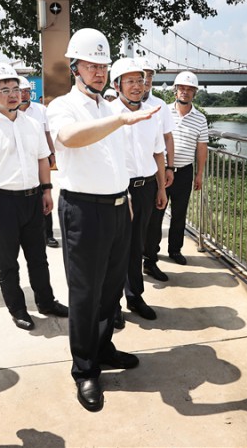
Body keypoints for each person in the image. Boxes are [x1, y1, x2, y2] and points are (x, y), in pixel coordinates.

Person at [47, 28, 158, 412]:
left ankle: (103, 348)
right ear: (74, 67)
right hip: (83, 210)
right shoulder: (63, 106)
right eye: (91, 65)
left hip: (116, 207)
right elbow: (70, 138)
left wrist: (125, 196)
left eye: (103, 65)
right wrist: (120, 122)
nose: (98, 72)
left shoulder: (109, 109)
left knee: (110, 292)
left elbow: (117, 162)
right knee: (85, 294)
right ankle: (84, 369)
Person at [0, 63, 67, 331]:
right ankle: (18, 309)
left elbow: (42, 159)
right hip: (2, 203)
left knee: (38, 257)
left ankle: (46, 302)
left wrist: (46, 190)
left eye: (16, 89)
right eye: (4, 90)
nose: (13, 95)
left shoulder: (33, 124)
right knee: (7, 261)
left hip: (32, 199)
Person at [107, 58, 167, 330]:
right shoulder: (106, 114)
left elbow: (158, 152)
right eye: (129, 81)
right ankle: (112, 304)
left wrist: (162, 187)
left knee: (136, 246)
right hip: (119, 189)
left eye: (140, 81)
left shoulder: (152, 113)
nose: (136, 86)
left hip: (146, 188)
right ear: (117, 85)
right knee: (115, 250)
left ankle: (135, 297)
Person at [144, 71, 208, 267]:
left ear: (195, 93)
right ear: (175, 91)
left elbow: (202, 147)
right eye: (182, 88)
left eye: (189, 89)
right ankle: (151, 253)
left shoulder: (200, 118)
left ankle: (175, 250)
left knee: (179, 214)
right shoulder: (163, 111)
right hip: (161, 171)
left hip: (185, 171)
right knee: (157, 213)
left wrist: (199, 174)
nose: (185, 92)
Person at [138, 57, 175, 282]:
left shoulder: (159, 105)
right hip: (128, 177)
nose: (146, 81)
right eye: (142, 76)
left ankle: (150, 261)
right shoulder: (114, 107)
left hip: (154, 173)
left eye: (149, 76)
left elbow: (167, 138)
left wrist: (170, 167)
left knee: (155, 220)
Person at [17, 76, 59, 248]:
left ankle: (48, 234)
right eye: (21, 91)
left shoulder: (41, 110)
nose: (24, 95)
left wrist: (52, 153)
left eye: (27, 91)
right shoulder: (12, 111)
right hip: (22, 160)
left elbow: (47, 133)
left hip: (40, 157)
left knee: (44, 192)